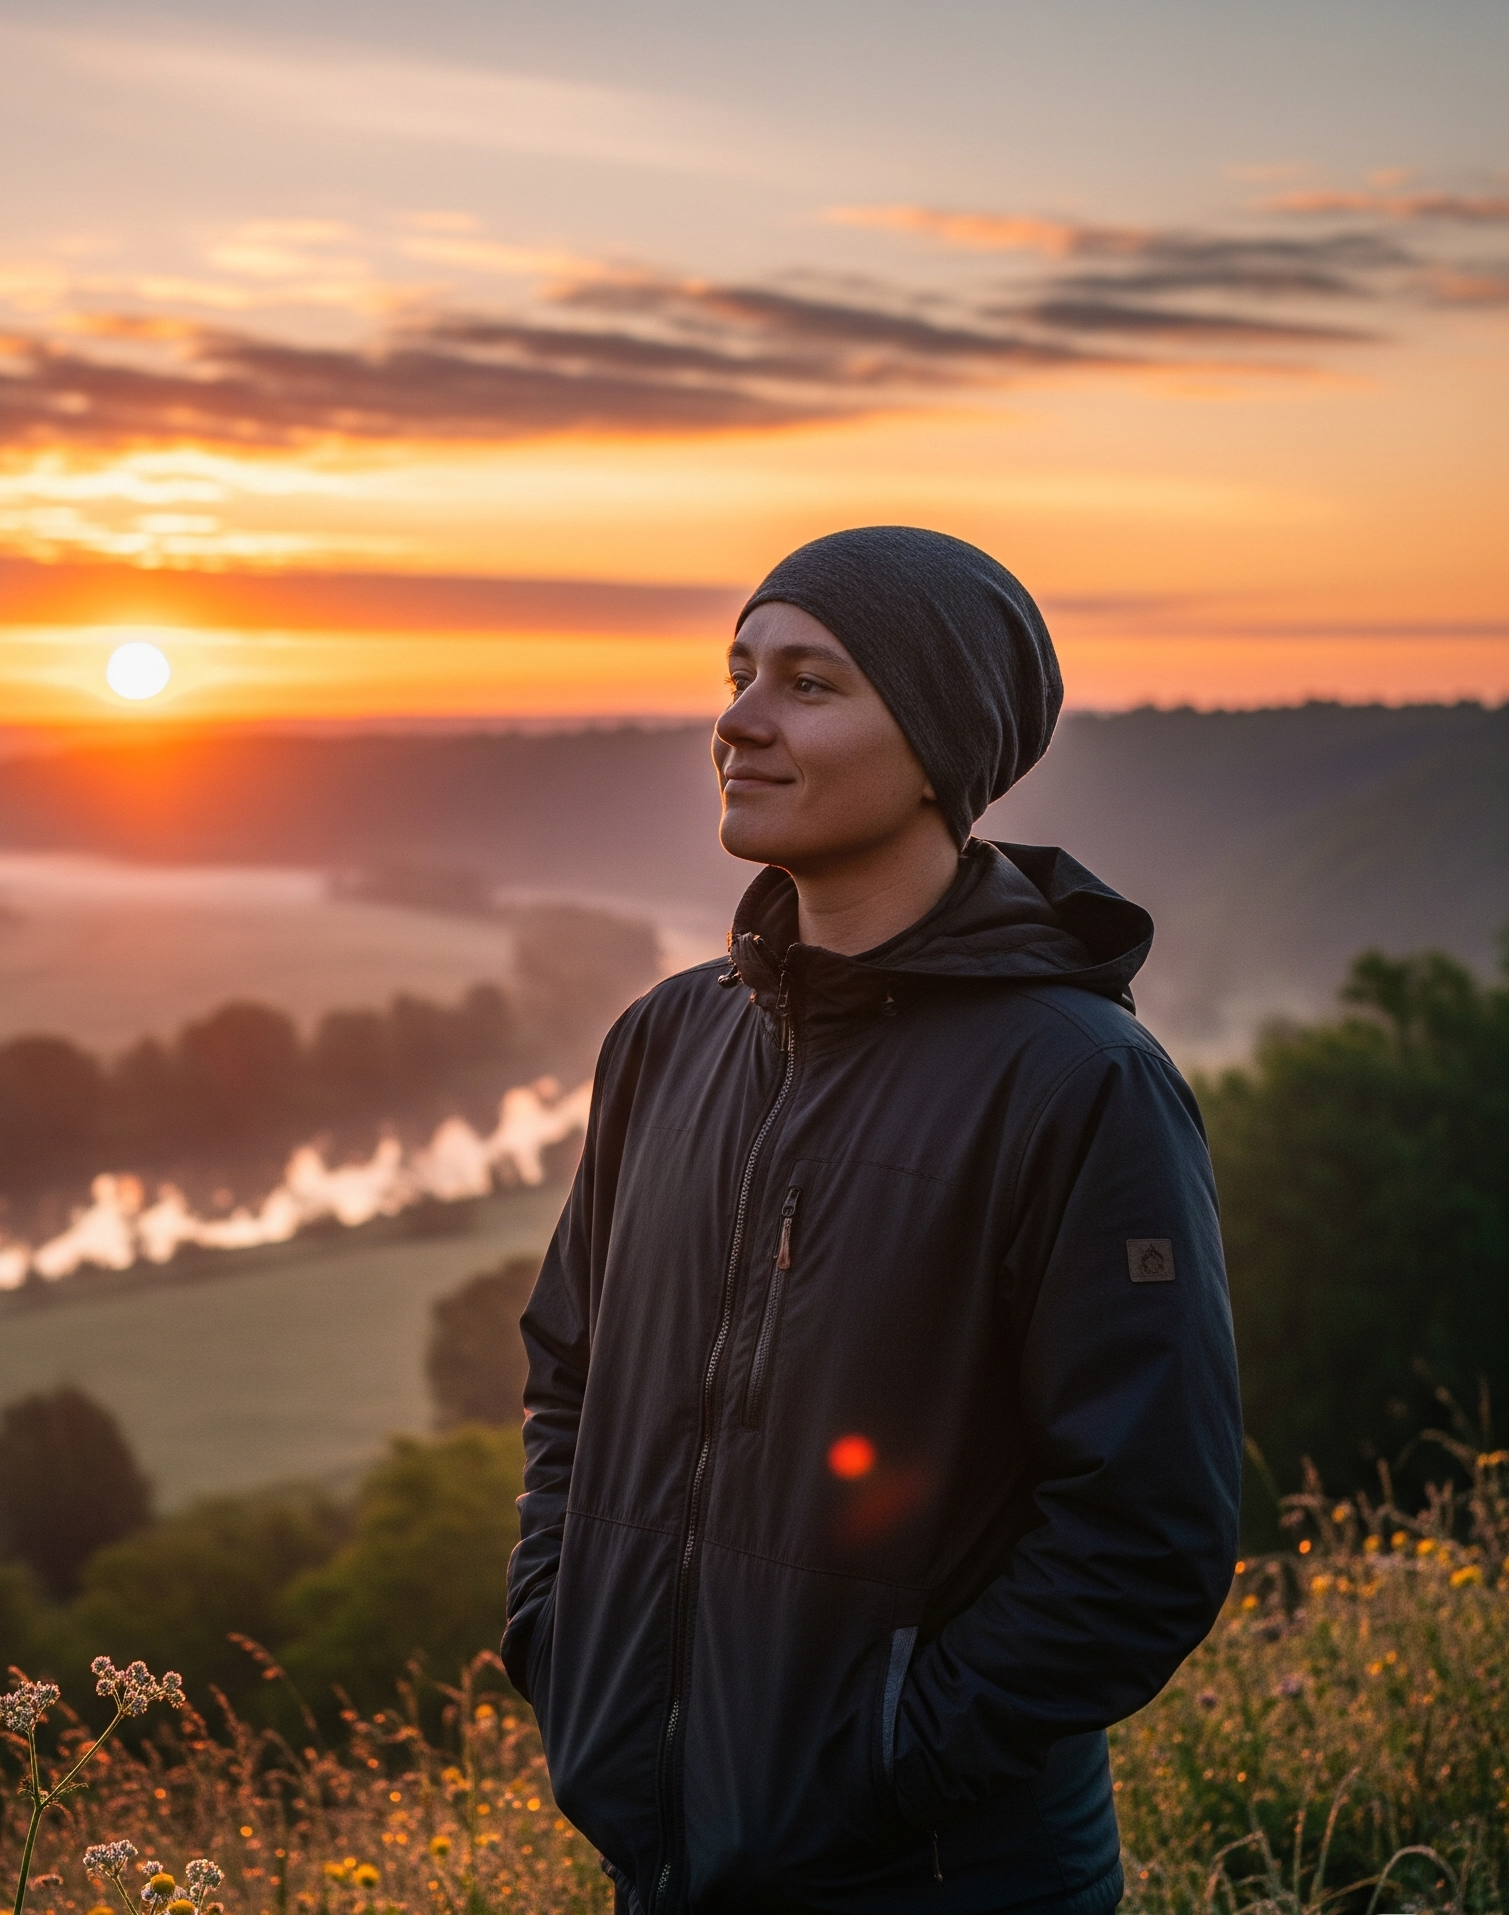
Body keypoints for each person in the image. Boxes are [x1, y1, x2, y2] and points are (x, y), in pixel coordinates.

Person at [503, 527, 1241, 1914]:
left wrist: (888, 1757)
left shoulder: (1081, 1082)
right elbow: (569, 1383)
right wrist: (560, 1640)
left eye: (810, 682)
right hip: (665, 1860)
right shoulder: (665, 1041)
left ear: (938, 743)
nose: (739, 718)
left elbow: (1146, 1531)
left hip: (945, 1874)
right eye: (738, 671)